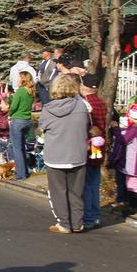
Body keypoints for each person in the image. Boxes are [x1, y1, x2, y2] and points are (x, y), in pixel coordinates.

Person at [39, 74, 89, 233]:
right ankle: (77, 223)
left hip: (56, 156)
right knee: (77, 192)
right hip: (77, 154)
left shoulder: (48, 109)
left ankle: (64, 223)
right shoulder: (81, 106)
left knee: (58, 191)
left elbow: (42, 128)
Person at [81, 75, 107, 228]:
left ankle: (89, 216)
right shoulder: (102, 103)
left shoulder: (86, 104)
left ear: (84, 87)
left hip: (89, 144)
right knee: (94, 180)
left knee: (87, 181)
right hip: (99, 145)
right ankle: (95, 214)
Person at [8, 71, 36, 180]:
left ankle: (21, 174)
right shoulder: (30, 91)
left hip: (18, 120)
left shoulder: (20, 91)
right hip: (27, 120)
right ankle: (24, 170)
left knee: (17, 148)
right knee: (23, 148)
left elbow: (14, 106)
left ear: (23, 79)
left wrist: (10, 113)